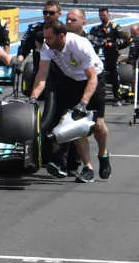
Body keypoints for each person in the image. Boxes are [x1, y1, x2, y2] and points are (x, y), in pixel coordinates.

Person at [28, 18, 106, 182]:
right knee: (75, 124)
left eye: (50, 38)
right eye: (45, 38)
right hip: (72, 80)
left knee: (98, 126)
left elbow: (92, 78)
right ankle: (88, 167)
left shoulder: (79, 45)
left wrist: (83, 103)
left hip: (94, 79)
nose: (46, 42)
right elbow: (42, 75)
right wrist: (33, 96)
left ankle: (103, 154)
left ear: (62, 36)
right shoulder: (47, 47)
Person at [86, 7, 126, 98]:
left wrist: (113, 44)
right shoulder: (95, 29)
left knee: (114, 75)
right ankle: (94, 94)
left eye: (104, 15)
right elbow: (89, 39)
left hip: (111, 56)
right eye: (100, 15)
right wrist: (99, 42)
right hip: (98, 57)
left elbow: (123, 40)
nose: (102, 17)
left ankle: (117, 96)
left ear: (108, 14)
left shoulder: (115, 27)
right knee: (96, 74)